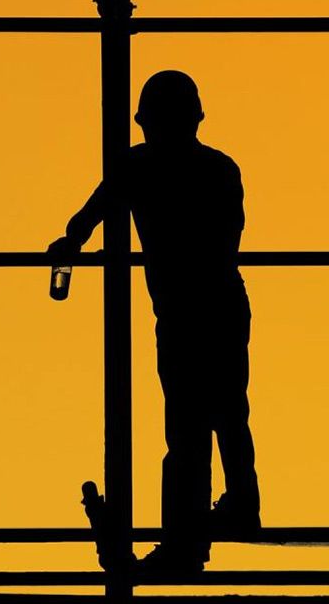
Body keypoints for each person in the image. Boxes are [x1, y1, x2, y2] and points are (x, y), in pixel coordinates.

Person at [50, 71, 260, 578]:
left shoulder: (138, 167)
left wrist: (70, 243)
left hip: (188, 311)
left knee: (191, 425)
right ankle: (234, 510)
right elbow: (225, 238)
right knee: (225, 412)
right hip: (218, 304)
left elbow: (91, 214)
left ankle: (189, 541)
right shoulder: (215, 169)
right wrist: (73, 239)